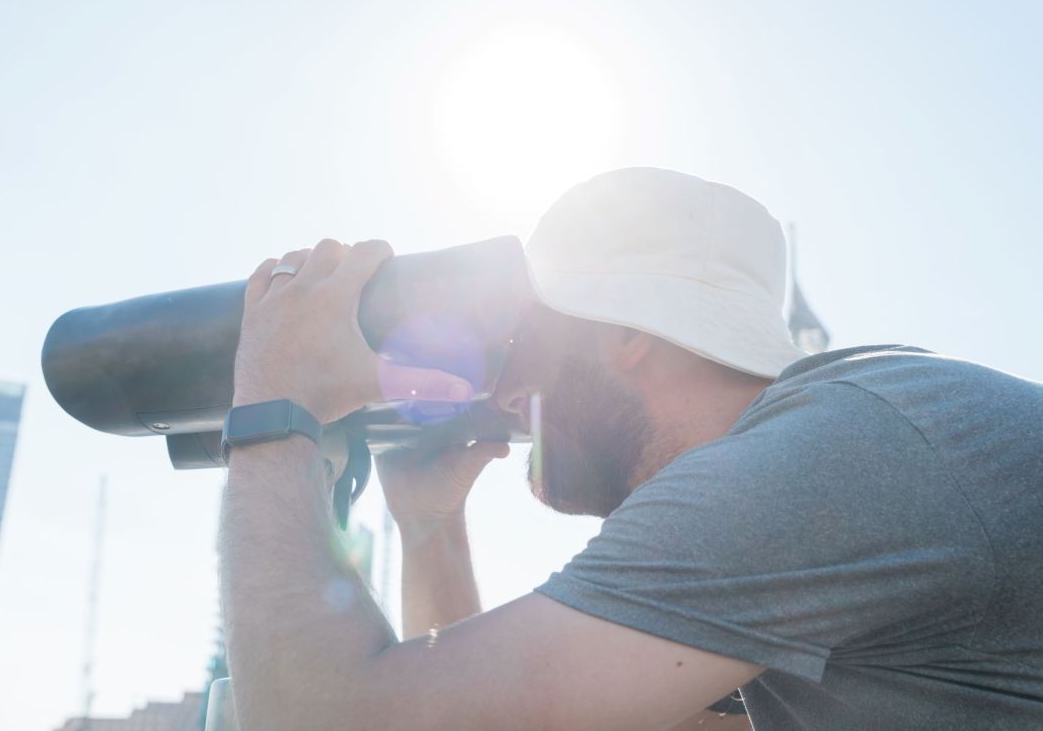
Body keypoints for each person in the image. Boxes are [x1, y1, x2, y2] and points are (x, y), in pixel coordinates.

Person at [219, 167, 1043, 730]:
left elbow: (322, 719)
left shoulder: (828, 464)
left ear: (625, 331)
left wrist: (276, 399)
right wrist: (432, 525)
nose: (501, 391)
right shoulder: (857, 448)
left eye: (521, 342)